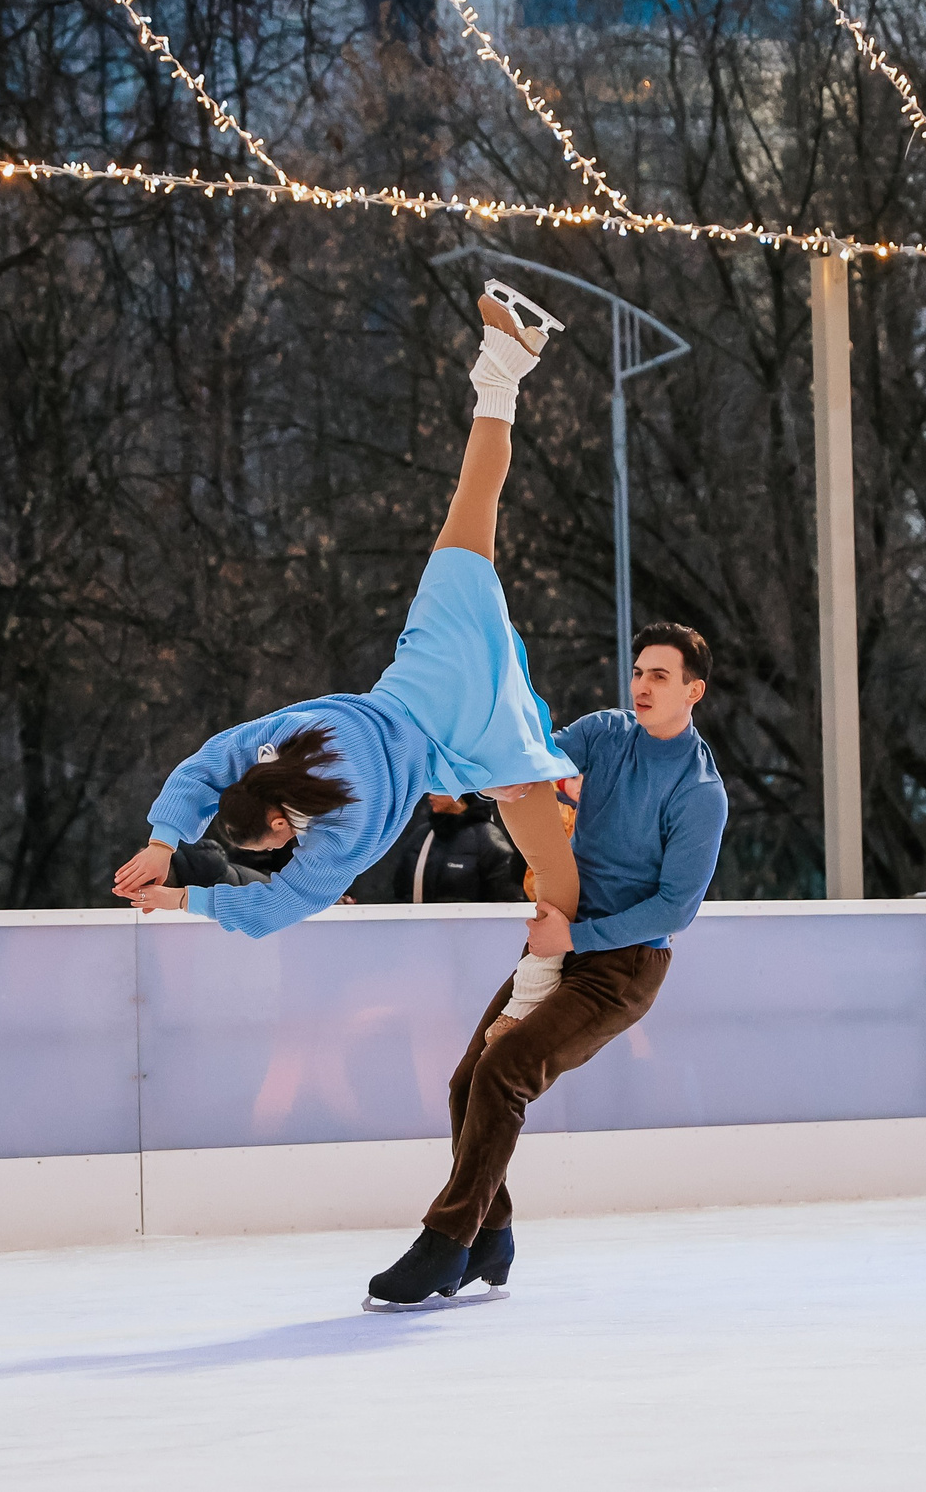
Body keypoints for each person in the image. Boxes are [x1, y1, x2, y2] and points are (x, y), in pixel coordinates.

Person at [113, 289, 583, 945]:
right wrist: (161, 843)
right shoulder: (280, 739)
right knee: (473, 504)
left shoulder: (343, 826)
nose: (285, 852)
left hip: (464, 727)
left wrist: (181, 899)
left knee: (551, 867)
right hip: (428, 664)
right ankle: (498, 372)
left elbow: (279, 906)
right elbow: (205, 766)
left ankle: (564, 964)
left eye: (277, 845)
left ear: (282, 825)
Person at [365, 620, 729, 1310]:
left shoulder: (699, 791)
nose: (642, 685)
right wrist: (484, 767)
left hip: (623, 965)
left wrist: (574, 939)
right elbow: (530, 764)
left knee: (505, 1070)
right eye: (638, 672)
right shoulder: (606, 733)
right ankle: (490, 1236)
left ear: (694, 691)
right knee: (469, 1081)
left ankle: (445, 1241)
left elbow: (675, 909)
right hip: (559, 941)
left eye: (659, 676)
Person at [358, 792, 528, 905]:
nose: (430, 795)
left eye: (440, 789)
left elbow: (506, 899)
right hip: (418, 937)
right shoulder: (422, 835)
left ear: (460, 795)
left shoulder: (487, 837)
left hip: (470, 940)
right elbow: (402, 891)